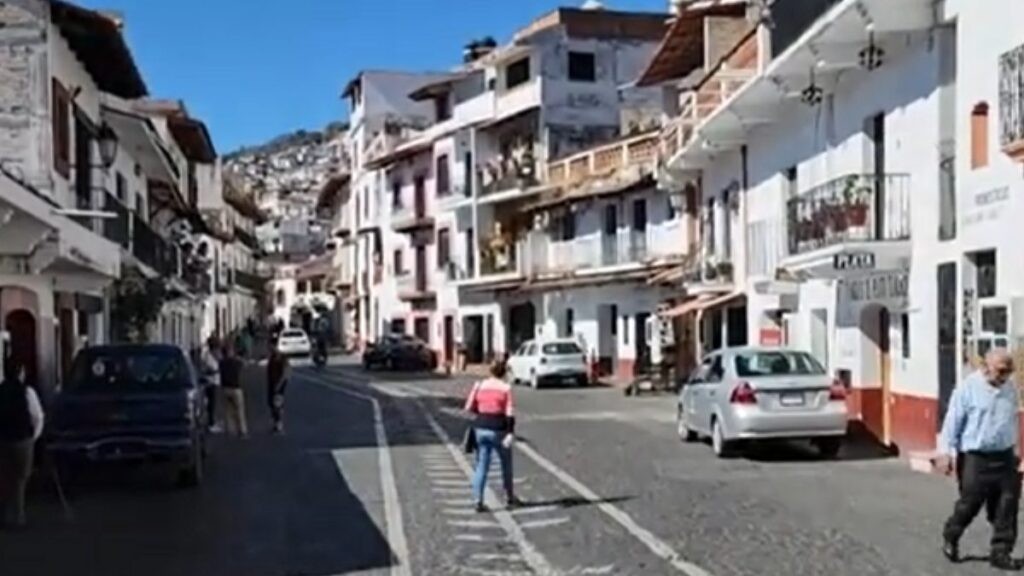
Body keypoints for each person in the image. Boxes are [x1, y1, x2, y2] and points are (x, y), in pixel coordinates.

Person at [938, 348, 1022, 570]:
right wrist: (945, 452)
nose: (1005, 376)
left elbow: (1012, 421)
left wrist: (1017, 452)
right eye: (1001, 371)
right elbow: (952, 422)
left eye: (1009, 371)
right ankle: (951, 535)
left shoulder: (1010, 389)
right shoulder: (968, 388)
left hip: (1004, 456)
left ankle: (1001, 552)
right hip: (976, 457)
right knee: (970, 504)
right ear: (986, 367)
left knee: (1007, 506)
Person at [464, 360, 519, 513]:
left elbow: (469, 407)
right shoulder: (505, 388)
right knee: (506, 464)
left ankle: (478, 500)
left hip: (480, 428)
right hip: (499, 429)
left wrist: (481, 412)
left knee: (482, 465)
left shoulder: (480, 385)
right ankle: (509, 497)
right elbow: (509, 413)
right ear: (503, 373)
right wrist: (510, 432)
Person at [0, 357, 44, 528]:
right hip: (22, 440)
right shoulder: (27, 392)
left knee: (3, 478)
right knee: (20, 479)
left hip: (3, 439)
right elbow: (37, 416)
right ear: (20, 373)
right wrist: (34, 436)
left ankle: (3, 514)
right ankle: (18, 516)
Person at [219, 342, 248, 438]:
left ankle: (230, 430)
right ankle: (242, 431)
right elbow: (244, 364)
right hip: (236, 388)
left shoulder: (222, 363)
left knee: (228, 411)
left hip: (225, 388)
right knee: (239, 410)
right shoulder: (236, 362)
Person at [266, 340, 290, 434]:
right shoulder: (272, 357)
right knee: (271, 404)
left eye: (270, 347)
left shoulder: (281, 357)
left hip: (279, 385)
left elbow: (286, 372)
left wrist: (280, 384)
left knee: (277, 405)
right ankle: (275, 423)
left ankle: (279, 423)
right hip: (272, 384)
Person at [200, 336, 222, 433]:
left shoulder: (213, 355)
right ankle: (210, 424)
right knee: (211, 404)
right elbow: (206, 369)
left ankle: (212, 422)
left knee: (213, 403)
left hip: (214, 381)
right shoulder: (207, 356)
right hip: (210, 382)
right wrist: (215, 371)